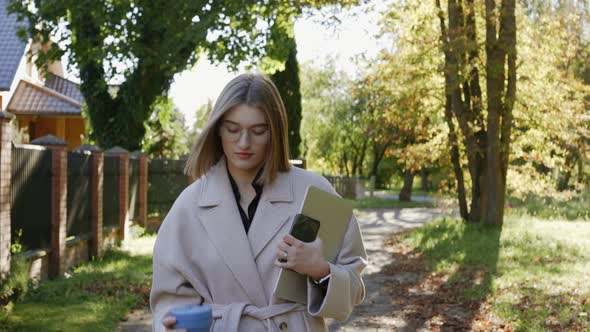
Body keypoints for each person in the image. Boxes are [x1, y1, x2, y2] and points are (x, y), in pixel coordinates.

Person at [150, 73, 367, 332]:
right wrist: (170, 327)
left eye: (258, 131)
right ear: (218, 129)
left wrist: (321, 270)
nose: (244, 143)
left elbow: (351, 295)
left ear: (275, 132)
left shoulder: (315, 193)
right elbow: (169, 302)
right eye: (233, 129)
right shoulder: (190, 205)